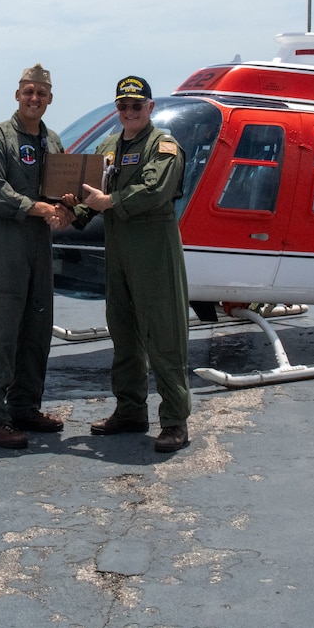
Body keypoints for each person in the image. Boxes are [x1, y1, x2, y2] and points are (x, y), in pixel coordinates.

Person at [73, 76, 193, 453]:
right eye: (122, 106)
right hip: (119, 252)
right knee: (123, 333)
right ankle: (130, 410)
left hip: (153, 251)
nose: (129, 112)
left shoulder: (164, 146)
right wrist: (68, 211)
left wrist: (108, 203)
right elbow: (90, 189)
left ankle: (174, 420)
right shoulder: (108, 145)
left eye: (136, 106)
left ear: (150, 108)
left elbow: (154, 191)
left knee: (163, 335)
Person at [0, 64, 74, 449]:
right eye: (28, 92)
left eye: (41, 93)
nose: (34, 99)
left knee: (36, 328)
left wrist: (67, 208)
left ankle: (26, 407)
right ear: (17, 95)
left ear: (50, 99)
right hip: (3, 246)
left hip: (38, 248)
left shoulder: (54, 143)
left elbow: (63, 191)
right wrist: (41, 209)